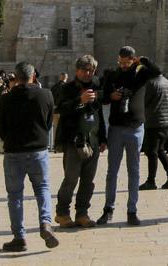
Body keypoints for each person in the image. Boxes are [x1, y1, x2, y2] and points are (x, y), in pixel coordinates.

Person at [0, 61, 58, 252]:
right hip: (38, 150)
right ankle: (46, 223)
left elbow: (0, 128)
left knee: (15, 196)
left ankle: (19, 237)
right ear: (33, 77)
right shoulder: (45, 94)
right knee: (43, 189)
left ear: (15, 77)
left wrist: (10, 140)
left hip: (14, 151)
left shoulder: (5, 99)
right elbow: (48, 122)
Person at [99, 46, 153, 226]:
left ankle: (132, 210)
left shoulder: (141, 75)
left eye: (126, 62)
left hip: (136, 127)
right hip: (116, 127)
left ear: (132, 59)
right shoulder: (112, 75)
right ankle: (109, 208)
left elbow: (157, 71)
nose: (122, 65)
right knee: (112, 171)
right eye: (120, 62)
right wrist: (111, 96)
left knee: (134, 171)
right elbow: (104, 98)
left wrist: (142, 62)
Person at [53, 54, 106, 228]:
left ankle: (82, 213)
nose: (88, 73)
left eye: (91, 70)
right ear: (77, 70)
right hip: (74, 140)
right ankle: (62, 213)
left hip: (93, 139)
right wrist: (80, 101)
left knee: (88, 180)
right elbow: (61, 109)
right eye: (84, 70)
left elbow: (98, 114)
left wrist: (103, 138)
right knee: (71, 179)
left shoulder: (96, 86)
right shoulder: (67, 88)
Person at [140, 62, 168, 190]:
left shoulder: (151, 83)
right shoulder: (167, 82)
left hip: (154, 122)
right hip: (166, 121)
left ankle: (151, 181)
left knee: (152, 152)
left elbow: (144, 102)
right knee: (160, 150)